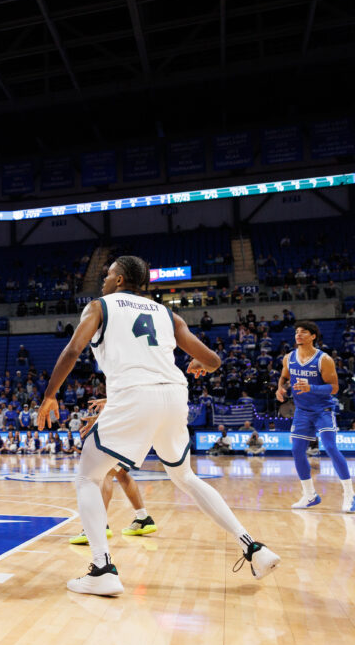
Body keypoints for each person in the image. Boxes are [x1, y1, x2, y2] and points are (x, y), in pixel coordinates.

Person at [39, 255, 279, 596]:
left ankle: (102, 568)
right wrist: (199, 364)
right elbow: (213, 361)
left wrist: (50, 396)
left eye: (108, 275)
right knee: (185, 476)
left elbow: (73, 349)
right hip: (173, 395)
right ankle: (254, 547)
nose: (104, 281)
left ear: (120, 279)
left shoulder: (99, 306)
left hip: (136, 395)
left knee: (88, 477)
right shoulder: (168, 314)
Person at [276, 320, 353, 512]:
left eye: (303, 332)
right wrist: (280, 388)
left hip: (322, 410)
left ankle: (350, 495)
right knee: (296, 450)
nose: (298, 335)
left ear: (313, 336)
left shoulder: (324, 359)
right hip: (302, 411)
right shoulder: (289, 357)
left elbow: (334, 388)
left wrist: (312, 387)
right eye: (296, 332)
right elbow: (284, 377)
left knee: (329, 447)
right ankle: (310, 495)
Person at [69, 400, 158, 544]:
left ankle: (98, 525)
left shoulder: (127, 382)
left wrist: (100, 418)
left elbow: (125, 403)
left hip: (129, 427)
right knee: (120, 473)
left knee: (106, 473)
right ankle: (143, 518)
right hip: (141, 427)